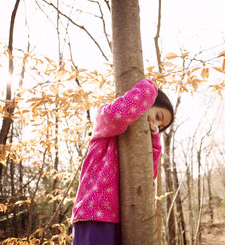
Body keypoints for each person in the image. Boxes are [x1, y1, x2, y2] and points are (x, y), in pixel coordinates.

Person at [71, 79, 174, 245]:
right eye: (157, 116)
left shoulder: (139, 146)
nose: (155, 126)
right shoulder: (104, 119)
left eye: (160, 127)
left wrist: (154, 142)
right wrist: (148, 88)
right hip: (93, 211)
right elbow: (118, 115)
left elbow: (148, 176)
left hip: (121, 219)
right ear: (150, 100)